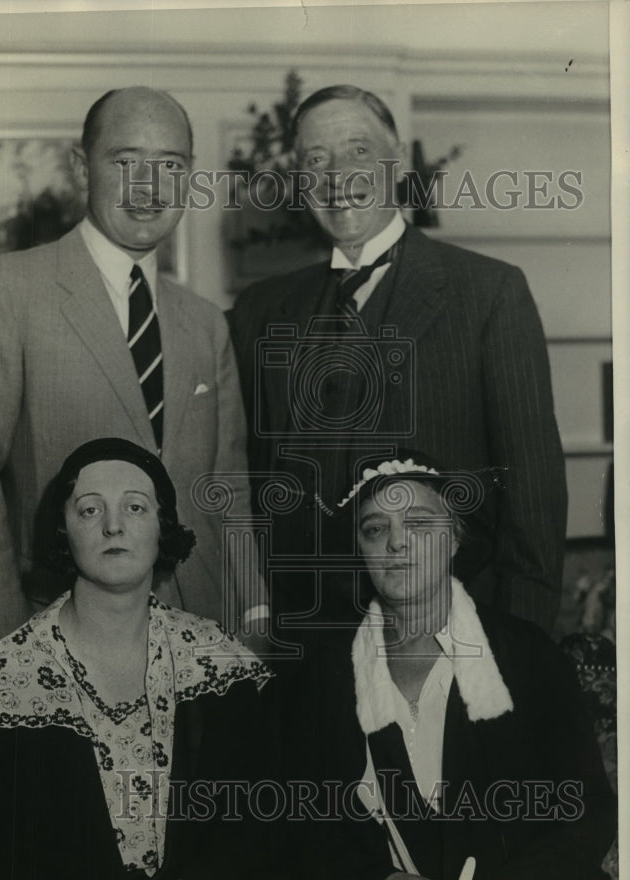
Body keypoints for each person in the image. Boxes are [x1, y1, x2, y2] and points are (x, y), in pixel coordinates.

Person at [0, 438, 275, 880]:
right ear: (63, 531)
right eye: (90, 510)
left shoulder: (218, 663)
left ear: (163, 527)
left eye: (135, 506)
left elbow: (261, 815)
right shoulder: (1, 681)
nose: (113, 526)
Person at [0, 87, 263, 648]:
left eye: (170, 165)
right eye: (126, 162)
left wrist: (252, 614)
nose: (149, 187)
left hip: (202, 640)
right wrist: (6, 653)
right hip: (60, 635)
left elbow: (226, 489)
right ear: (83, 169)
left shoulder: (205, 321)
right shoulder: (6, 290)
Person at [227, 84, 567, 639]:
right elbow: (244, 487)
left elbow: (533, 498)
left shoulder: (488, 293)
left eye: (358, 150)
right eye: (316, 159)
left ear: (399, 160)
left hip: (446, 641)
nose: (337, 175)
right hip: (301, 646)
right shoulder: (259, 312)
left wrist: (520, 650)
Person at [303, 453, 618, 880]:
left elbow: (587, 809)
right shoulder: (328, 674)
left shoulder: (526, 655)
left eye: (418, 524)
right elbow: (304, 821)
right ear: (359, 549)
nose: (396, 543)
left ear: (453, 540)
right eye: (375, 528)